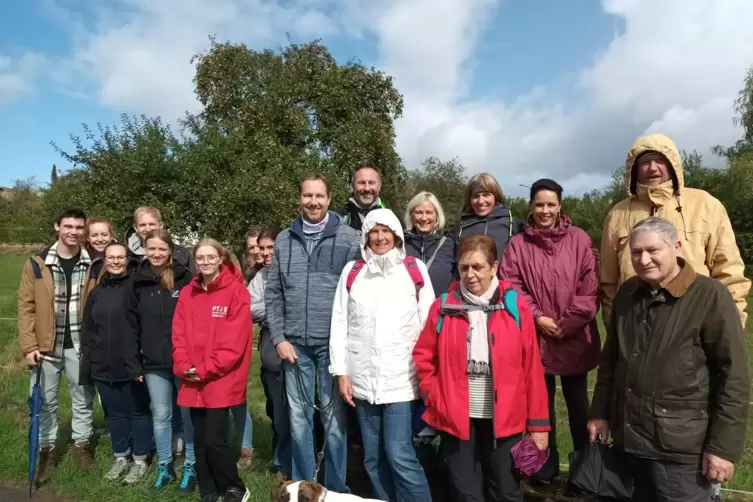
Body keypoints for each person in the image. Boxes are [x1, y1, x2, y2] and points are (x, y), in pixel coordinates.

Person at [589, 217, 750, 501]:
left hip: (681, 451)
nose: (644, 259)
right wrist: (600, 413)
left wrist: (722, 449)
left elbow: (733, 376)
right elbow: (611, 359)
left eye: (653, 250)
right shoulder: (627, 293)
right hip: (629, 443)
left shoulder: (710, 296)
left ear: (675, 246)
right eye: (636, 252)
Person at [413, 235, 550, 502]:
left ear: (494, 267)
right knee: (465, 493)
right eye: (464, 268)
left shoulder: (514, 305)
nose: (470, 275)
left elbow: (531, 367)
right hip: (455, 416)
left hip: (506, 418)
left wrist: (539, 425)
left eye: (478, 267)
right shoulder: (443, 306)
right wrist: (434, 397)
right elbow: (423, 356)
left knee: (505, 491)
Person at [330, 208, 435, 502]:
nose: (379, 237)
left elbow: (428, 325)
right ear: (365, 236)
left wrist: (426, 374)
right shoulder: (353, 273)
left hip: (401, 380)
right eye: (373, 231)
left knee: (400, 454)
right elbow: (340, 323)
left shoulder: (414, 271)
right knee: (373, 460)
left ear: (397, 235)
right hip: (362, 381)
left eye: (385, 231)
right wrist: (341, 371)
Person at [500, 179, 600, 485]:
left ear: (560, 206)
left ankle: (586, 471)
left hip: (574, 340)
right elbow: (510, 285)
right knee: (540, 409)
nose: (545, 210)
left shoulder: (580, 240)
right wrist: (538, 318)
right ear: (530, 206)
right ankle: (544, 469)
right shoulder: (517, 245)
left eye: (551, 205)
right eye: (539, 204)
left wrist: (567, 323)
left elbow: (589, 289)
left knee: (578, 406)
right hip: (535, 340)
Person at [266, 174, 360, 492]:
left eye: (319, 196)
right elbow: (273, 293)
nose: (313, 202)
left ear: (329, 198)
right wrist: (279, 338)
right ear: (300, 198)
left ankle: (334, 489)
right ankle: (303, 487)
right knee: (298, 417)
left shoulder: (349, 239)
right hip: (295, 345)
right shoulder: (283, 240)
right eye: (308, 196)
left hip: (332, 345)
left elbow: (354, 295)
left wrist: (345, 342)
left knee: (334, 421)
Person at [599, 133, 750, 326]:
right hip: (634, 323)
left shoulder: (705, 205)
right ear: (634, 170)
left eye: (660, 160)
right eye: (645, 162)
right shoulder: (617, 214)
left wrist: (731, 327)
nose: (653, 168)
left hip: (695, 320)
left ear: (673, 165)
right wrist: (615, 330)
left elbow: (729, 272)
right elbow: (609, 283)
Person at [18, 208, 97, 485]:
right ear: (57, 227)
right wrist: (29, 346)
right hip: (45, 347)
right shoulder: (37, 263)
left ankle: (82, 444)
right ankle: (47, 449)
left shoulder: (93, 263)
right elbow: (26, 307)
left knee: (83, 399)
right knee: (44, 403)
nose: (73, 232)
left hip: (81, 345)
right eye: (68, 226)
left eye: (78, 227)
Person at [173, 238, 252, 502]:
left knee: (215, 438)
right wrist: (185, 366)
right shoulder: (187, 293)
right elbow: (179, 334)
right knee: (199, 438)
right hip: (192, 376)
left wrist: (204, 369)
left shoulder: (236, 292)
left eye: (211, 257)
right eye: (200, 258)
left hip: (220, 378)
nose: (205, 262)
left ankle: (234, 486)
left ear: (221, 259)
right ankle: (208, 489)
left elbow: (234, 342)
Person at [124, 229, 197, 491]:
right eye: (151, 249)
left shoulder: (186, 279)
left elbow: (196, 322)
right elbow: (130, 326)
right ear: (144, 249)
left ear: (170, 252)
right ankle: (164, 466)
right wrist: (133, 363)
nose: (156, 254)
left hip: (184, 361)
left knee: (188, 416)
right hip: (152, 362)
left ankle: (191, 465)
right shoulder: (136, 281)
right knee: (162, 414)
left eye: (161, 249)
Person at [79, 242, 151, 484]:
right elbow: (88, 329)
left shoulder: (137, 288)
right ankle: (121, 457)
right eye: (111, 257)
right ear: (104, 260)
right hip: (102, 365)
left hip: (132, 365)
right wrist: (91, 356)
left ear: (127, 259)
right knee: (117, 415)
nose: (116, 261)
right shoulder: (97, 293)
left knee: (138, 412)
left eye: (121, 257)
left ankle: (140, 460)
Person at [249, 227, 291, 478]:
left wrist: (269, 310)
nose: (264, 253)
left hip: (294, 351)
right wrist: (276, 307)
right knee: (276, 411)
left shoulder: (293, 272)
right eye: (261, 248)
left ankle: (291, 461)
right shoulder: (260, 277)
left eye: (270, 248)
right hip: (270, 353)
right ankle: (280, 460)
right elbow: (248, 308)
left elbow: (298, 305)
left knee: (293, 412)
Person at [455, 173, 522, 264]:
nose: (481, 201)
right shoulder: (461, 226)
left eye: (486, 195)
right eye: (476, 196)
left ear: (496, 197)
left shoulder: (512, 224)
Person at [403, 191, 456, 297]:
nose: (423, 218)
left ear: (437, 216)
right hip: (408, 311)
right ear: (411, 216)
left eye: (429, 212)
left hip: (440, 311)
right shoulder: (400, 244)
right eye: (418, 212)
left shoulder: (450, 245)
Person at [126, 206, 196, 275]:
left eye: (152, 224)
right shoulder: (125, 255)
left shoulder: (181, 254)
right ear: (135, 228)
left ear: (161, 225)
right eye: (142, 225)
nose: (147, 229)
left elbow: (194, 282)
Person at [334, 165, 387, 232]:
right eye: (361, 183)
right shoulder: (337, 217)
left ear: (379, 186)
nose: (367, 188)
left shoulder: (392, 218)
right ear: (353, 186)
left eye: (371, 183)